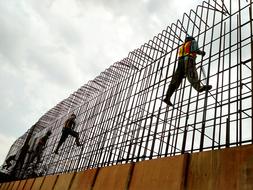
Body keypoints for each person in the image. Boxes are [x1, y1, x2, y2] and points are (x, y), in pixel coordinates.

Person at [163, 36, 212, 106]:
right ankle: (199, 88)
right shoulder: (193, 42)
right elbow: (196, 50)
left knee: (176, 79)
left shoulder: (182, 46)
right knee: (191, 73)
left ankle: (167, 97)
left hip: (180, 62)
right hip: (188, 59)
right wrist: (202, 53)